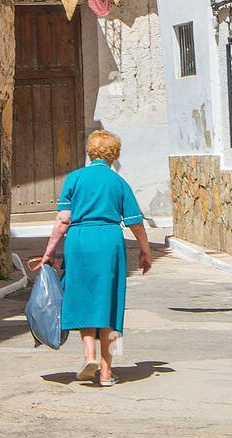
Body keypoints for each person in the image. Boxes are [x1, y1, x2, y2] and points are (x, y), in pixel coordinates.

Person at [40, 129, 152, 386]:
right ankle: (105, 372)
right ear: (114, 154)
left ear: (90, 152)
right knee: (109, 303)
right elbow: (135, 223)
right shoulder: (118, 183)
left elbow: (63, 219)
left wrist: (49, 252)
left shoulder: (75, 178)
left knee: (83, 298)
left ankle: (88, 355)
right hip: (108, 241)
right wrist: (146, 250)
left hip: (79, 240)